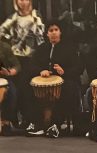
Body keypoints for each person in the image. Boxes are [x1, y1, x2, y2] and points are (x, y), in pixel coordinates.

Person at [29, 20, 80, 137]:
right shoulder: (42, 48)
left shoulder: (69, 48)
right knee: (29, 85)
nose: (53, 33)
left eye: (56, 30)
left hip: (65, 81)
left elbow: (78, 67)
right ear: (47, 34)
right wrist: (40, 71)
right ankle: (37, 123)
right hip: (44, 82)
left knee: (69, 88)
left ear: (60, 32)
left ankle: (56, 124)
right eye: (50, 31)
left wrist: (64, 72)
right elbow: (31, 65)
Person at [0, 0, 44, 128]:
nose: (23, 2)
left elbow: (40, 39)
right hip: (14, 58)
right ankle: (11, 119)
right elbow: (3, 33)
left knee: (26, 89)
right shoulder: (12, 18)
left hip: (31, 58)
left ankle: (29, 119)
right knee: (14, 88)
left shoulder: (36, 16)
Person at [0, 38, 21, 134]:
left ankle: (5, 121)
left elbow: (17, 65)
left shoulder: (5, 47)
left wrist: (9, 72)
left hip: (4, 78)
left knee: (12, 92)